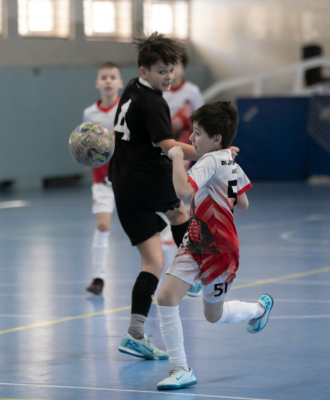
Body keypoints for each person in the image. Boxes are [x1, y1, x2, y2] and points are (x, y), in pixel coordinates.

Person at [110, 32, 238, 360]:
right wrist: (212, 153)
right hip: (147, 178)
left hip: (122, 184)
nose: (168, 77)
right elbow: (168, 147)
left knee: (153, 262)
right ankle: (194, 275)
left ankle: (135, 333)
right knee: (180, 213)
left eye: (171, 69)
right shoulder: (154, 101)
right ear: (144, 71)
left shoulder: (131, 88)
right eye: (161, 71)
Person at [155, 102, 274, 390]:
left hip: (220, 252)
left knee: (213, 316)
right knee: (166, 298)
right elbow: (243, 203)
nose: (191, 138)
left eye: (197, 133)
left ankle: (258, 309)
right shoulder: (229, 162)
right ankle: (181, 369)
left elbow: (183, 190)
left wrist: (176, 157)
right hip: (195, 241)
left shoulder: (210, 161)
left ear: (217, 138)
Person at [82, 62, 124, 295]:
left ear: (120, 83)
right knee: (102, 224)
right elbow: (85, 144)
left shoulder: (127, 109)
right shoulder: (90, 113)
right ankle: (98, 277)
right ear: (97, 83)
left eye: (112, 77)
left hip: (128, 177)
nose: (108, 81)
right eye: (104, 77)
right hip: (102, 179)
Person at [159, 51, 205, 251]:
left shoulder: (191, 91)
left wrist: (185, 121)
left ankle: (176, 227)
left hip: (183, 142)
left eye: (176, 65)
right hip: (162, 142)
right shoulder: (160, 90)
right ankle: (172, 223)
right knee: (164, 183)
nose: (172, 70)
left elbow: (201, 117)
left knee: (175, 182)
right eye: (168, 65)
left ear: (183, 69)